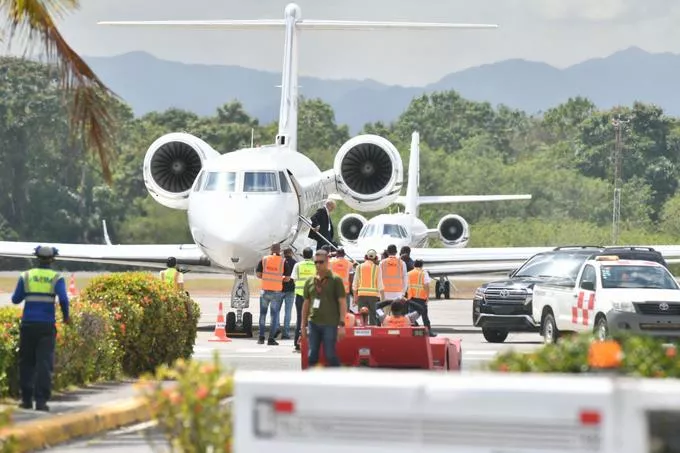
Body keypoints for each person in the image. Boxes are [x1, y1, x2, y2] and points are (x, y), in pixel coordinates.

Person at [11, 245, 69, 411]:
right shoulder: (56, 277)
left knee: (27, 363)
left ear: (36, 258)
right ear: (52, 259)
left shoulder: (26, 276)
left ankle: (26, 400)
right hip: (46, 326)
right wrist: (66, 317)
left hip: (28, 325)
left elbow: (16, 299)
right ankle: (41, 401)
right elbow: (64, 299)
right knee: (44, 364)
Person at [301, 249, 346, 367]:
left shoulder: (336, 280)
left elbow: (342, 302)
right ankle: (312, 382)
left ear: (327, 262)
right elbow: (306, 304)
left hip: (330, 323)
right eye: (316, 262)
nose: (318, 265)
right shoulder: (310, 281)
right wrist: (303, 325)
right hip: (313, 323)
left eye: (321, 262)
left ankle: (339, 379)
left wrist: (342, 324)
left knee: (330, 354)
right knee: (312, 355)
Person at [255, 243, 292, 345]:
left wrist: (267, 278)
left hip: (265, 291)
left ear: (270, 249)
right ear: (279, 250)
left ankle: (261, 338)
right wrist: (279, 279)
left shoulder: (264, 259)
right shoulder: (283, 261)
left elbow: (258, 274)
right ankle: (271, 339)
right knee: (274, 316)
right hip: (276, 292)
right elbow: (288, 278)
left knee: (263, 314)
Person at [291, 247, 316, 352]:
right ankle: (312, 342)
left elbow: (294, 279)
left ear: (303, 255)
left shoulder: (298, 265)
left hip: (300, 296)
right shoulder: (316, 266)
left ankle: (297, 343)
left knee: (300, 319)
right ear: (312, 255)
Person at [407, 259, 436, 336]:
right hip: (421, 298)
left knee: (411, 316)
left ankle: (410, 332)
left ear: (414, 265)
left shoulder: (409, 273)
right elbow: (426, 285)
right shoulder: (424, 273)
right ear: (422, 265)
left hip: (411, 297)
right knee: (424, 316)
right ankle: (429, 332)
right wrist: (427, 297)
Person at [352, 249, 381, 325]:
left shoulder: (359, 267)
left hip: (361, 295)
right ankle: (373, 333)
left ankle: (361, 332)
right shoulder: (377, 268)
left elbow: (355, 284)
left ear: (365, 257)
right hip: (373, 296)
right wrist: (380, 296)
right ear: (376, 258)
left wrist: (355, 297)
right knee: (373, 316)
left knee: (362, 316)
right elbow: (380, 284)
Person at [279, 247, 297, 340]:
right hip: (290, 290)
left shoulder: (280, 262)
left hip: (279, 289)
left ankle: (276, 329)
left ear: (284, 253)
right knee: (288, 312)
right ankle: (285, 333)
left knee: (276, 311)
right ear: (291, 253)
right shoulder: (295, 263)